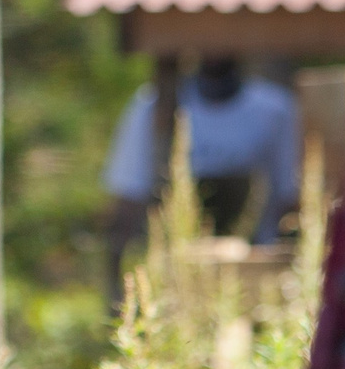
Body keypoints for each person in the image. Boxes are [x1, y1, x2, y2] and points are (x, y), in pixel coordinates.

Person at [100, 58, 302, 295]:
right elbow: (128, 195)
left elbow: (290, 196)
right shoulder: (153, 105)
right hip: (178, 268)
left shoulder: (274, 108)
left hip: (255, 265)